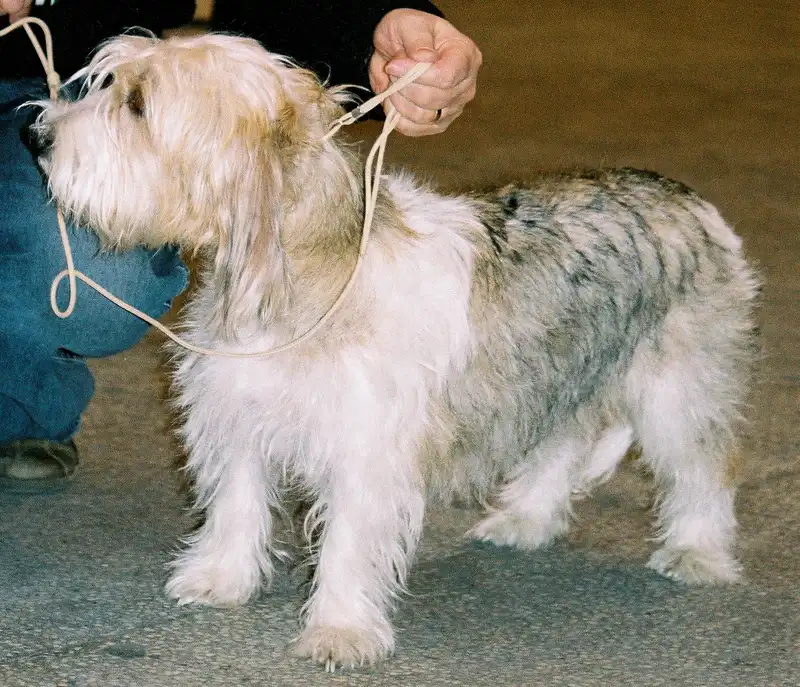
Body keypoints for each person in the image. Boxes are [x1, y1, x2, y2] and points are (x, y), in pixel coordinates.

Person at [0, 0, 482, 491]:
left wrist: (381, 20)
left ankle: (21, 402)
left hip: (43, 67)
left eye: (140, 106)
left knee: (91, 277)